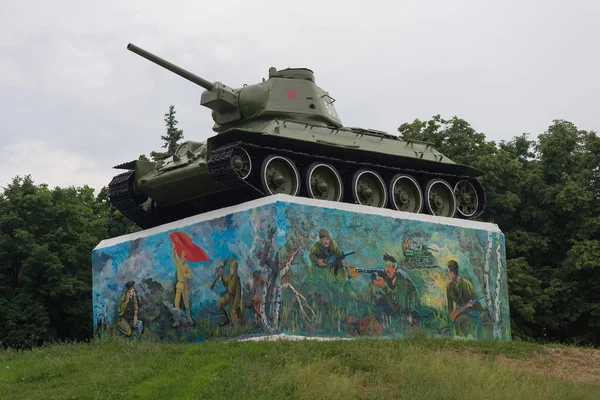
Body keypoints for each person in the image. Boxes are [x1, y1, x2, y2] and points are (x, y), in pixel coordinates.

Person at [445, 260, 488, 336]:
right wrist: (455, 313)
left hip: (473, 311)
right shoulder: (449, 288)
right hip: (461, 312)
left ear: (453, 273)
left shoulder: (466, 284)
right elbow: (450, 308)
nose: (448, 274)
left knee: (467, 320)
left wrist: (471, 305)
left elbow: (476, 302)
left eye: (448, 272)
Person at [217, 259, 242, 327]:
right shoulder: (230, 277)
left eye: (232, 268)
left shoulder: (237, 280)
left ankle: (237, 327)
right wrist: (222, 275)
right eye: (231, 268)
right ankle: (226, 319)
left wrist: (235, 305)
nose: (231, 270)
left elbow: (238, 294)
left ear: (235, 270)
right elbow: (226, 283)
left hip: (233, 298)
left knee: (233, 312)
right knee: (219, 304)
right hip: (228, 296)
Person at [173, 247, 194, 323]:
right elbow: (174, 257)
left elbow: (191, 275)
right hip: (179, 285)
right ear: (180, 257)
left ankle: (189, 318)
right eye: (182, 257)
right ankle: (177, 320)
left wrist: (186, 275)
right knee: (176, 302)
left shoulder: (186, 266)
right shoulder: (178, 264)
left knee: (186, 303)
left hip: (185, 285)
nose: (183, 258)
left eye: (184, 257)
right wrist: (174, 248)